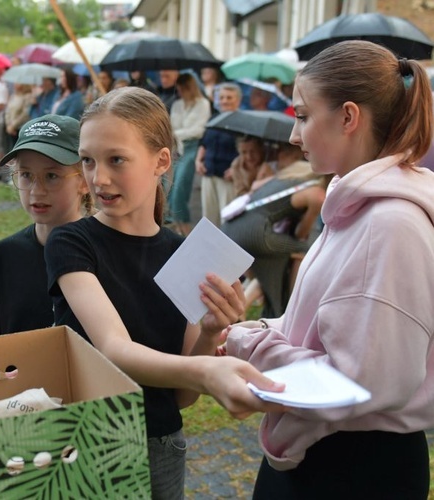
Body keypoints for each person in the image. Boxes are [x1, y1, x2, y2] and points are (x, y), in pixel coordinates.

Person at [44, 87, 285, 499]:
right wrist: (208, 371)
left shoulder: (186, 255)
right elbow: (114, 349)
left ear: (161, 161)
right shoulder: (71, 243)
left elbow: (181, 398)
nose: (98, 178)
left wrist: (210, 333)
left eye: (116, 159)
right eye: (87, 160)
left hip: (160, 444)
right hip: (86, 439)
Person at [225, 41, 434, 499]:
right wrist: (261, 328)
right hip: (326, 453)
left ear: (348, 117)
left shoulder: (388, 223)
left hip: (351, 467)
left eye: (302, 116)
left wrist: (251, 342)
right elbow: (322, 328)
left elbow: (362, 380)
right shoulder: (357, 209)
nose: (294, 136)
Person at [0, 114, 91, 336]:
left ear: (85, 181)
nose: (36, 190)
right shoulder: (2, 257)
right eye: (26, 175)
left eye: (52, 175)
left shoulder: (105, 253)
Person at [221, 142, 325, 317]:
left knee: (272, 265)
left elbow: (255, 188)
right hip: (257, 234)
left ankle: (243, 308)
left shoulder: (286, 177)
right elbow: (301, 234)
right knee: (303, 251)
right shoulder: (316, 193)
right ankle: (293, 305)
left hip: (233, 226)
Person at [168, 72, 211, 236]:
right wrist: (178, 133)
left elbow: (199, 130)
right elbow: (172, 126)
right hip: (178, 147)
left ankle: (185, 228)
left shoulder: (203, 103)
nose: (179, 92)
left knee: (180, 188)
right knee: (171, 188)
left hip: (193, 146)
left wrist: (178, 133)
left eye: (182, 89)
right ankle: (178, 227)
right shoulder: (178, 104)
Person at [195, 82, 242, 227]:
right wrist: (198, 161)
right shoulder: (213, 119)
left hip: (227, 177)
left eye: (229, 98)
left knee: (227, 219)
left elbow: (247, 151)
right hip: (209, 173)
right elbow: (204, 142)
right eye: (221, 97)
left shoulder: (242, 123)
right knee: (208, 218)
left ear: (238, 100)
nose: (225, 101)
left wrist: (236, 169)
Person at [4, 83, 33, 152]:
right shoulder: (13, 96)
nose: (15, 84)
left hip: (20, 127)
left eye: (18, 83)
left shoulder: (27, 96)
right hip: (10, 127)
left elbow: (25, 114)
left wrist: (13, 125)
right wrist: (8, 124)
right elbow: (8, 111)